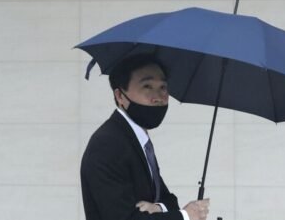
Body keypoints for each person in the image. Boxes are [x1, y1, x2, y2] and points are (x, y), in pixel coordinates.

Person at [81, 54, 210, 220]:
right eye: (147, 86)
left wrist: (158, 207)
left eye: (163, 87)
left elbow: (168, 200)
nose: (158, 97)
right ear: (120, 96)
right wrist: (185, 216)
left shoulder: (137, 140)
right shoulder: (108, 144)